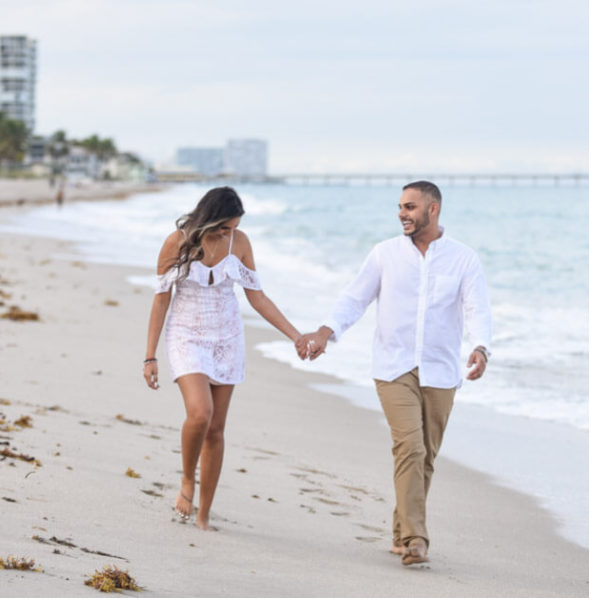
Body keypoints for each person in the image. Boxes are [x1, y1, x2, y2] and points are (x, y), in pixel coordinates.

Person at [298, 181, 492, 565]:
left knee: (425, 458)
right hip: (393, 366)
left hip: (440, 370)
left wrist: (481, 346)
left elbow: (477, 309)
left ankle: (400, 534)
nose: (402, 213)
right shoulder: (384, 254)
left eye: (410, 206)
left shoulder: (463, 259)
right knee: (411, 447)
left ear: (432, 209)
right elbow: (355, 298)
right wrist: (325, 332)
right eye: (400, 206)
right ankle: (417, 539)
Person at [143, 186, 304, 530]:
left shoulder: (240, 243)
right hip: (186, 333)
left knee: (216, 429)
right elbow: (160, 300)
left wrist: (295, 336)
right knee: (200, 413)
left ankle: (204, 515)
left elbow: (257, 297)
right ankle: (188, 479)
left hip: (227, 337)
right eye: (224, 228)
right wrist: (149, 356)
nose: (229, 233)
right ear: (209, 219)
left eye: (232, 228)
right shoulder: (177, 242)